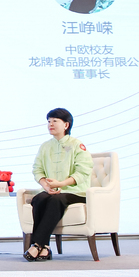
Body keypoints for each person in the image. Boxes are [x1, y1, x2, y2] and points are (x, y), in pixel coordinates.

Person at [24, 108, 93, 261]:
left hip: (76, 192)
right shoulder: (45, 146)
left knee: (56, 200)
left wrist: (61, 184)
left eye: (55, 121)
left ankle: (37, 245)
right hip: (52, 191)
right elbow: (37, 169)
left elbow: (83, 171)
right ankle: (45, 247)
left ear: (66, 125)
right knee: (39, 199)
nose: (50, 124)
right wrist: (45, 185)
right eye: (49, 121)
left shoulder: (77, 145)